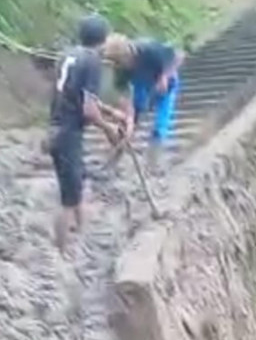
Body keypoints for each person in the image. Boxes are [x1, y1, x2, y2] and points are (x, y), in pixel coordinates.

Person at [47, 14, 125, 255]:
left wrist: (110, 112)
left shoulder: (68, 55)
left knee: (78, 182)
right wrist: (109, 129)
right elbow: (88, 110)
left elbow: (76, 95)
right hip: (69, 133)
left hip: (56, 129)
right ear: (103, 40)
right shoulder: (92, 62)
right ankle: (62, 253)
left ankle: (82, 237)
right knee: (69, 198)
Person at [101, 32, 184, 171]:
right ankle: (115, 157)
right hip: (142, 85)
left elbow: (178, 56)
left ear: (128, 54)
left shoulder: (149, 48)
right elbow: (124, 95)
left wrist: (164, 76)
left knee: (160, 124)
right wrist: (129, 117)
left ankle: (154, 160)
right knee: (126, 123)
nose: (121, 66)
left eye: (122, 62)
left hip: (166, 82)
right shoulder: (120, 68)